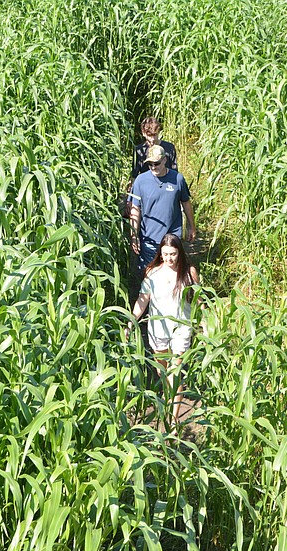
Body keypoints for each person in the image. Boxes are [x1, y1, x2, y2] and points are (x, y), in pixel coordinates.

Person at [127, 233, 200, 428]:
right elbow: (143, 300)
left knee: (175, 373)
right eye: (165, 254)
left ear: (180, 253)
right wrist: (131, 321)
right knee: (163, 372)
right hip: (158, 328)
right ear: (160, 253)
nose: (169, 258)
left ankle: (174, 420)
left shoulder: (189, 273)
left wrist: (207, 325)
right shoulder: (153, 273)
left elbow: (200, 301)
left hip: (181, 327)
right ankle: (168, 400)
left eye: (173, 254)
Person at [129, 144, 196, 276]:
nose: (154, 167)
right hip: (149, 239)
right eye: (150, 164)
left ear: (165, 160)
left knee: (173, 275)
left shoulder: (177, 179)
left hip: (172, 239)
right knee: (149, 277)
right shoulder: (140, 181)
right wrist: (134, 235)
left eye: (157, 163)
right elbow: (135, 209)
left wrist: (191, 227)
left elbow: (186, 203)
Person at [130, 117, 178, 181]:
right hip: (147, 184)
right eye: (149, 136)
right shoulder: (139, 151)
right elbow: (134, 174)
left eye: (155, 135)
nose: (152, 139)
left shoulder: (169, 148)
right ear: (143, 133)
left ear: (158, 132)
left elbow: (174, 171)